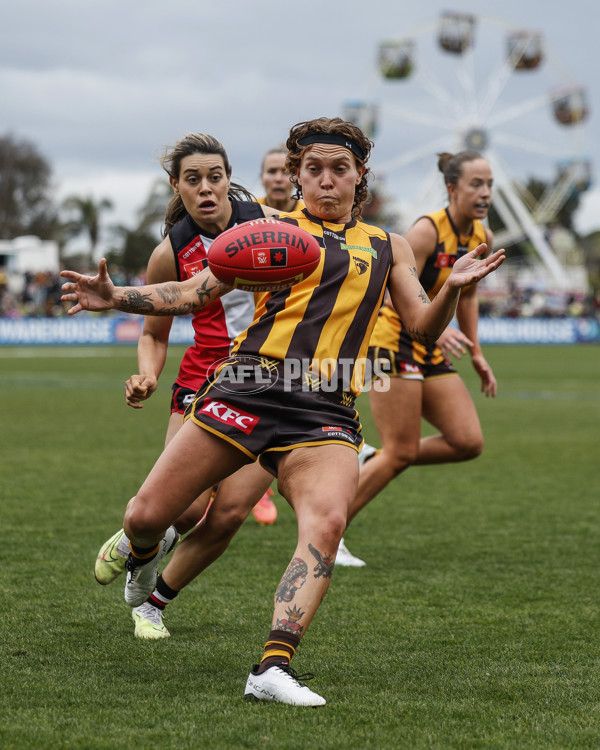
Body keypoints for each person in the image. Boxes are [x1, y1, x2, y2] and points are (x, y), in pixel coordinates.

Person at [61, 117, 505, 706]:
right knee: (148, 516)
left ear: (359, 176)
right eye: (313, 170)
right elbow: (195, 292)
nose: (326, 182)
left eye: (339, 169)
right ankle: (142, 557)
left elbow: (422, 324)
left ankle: (272, 667)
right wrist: (115, 297)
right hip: (246, 387)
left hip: (325, 408)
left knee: (325, 524)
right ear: (296, 176)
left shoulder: (388, 244)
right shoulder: (268, 231)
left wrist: (450, 287)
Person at [94, 132, 277, 639]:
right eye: (192, 179)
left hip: (269, 381)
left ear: (228, 179)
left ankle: (152, 601)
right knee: (189, 507)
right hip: (205, 379)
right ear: (176, 185)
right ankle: (140, 544)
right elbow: (155, 334)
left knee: (231, 513)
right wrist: (148, 374)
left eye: (215, 177)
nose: (206, 188)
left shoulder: (267, 226)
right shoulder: (170, 252)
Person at [346, 150, 497, 556]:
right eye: (475, 184)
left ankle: (372, 458)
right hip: (391, 339)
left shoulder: (482, 236)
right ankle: (331, 531)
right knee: (402, 452)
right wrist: (438, 326)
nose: (485, 193)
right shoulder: (426, 232)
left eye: (489, 185)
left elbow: (466, 297)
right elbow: (387, 295)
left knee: (467, 442)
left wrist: (477, 352)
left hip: (429, 343)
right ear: (451, 188)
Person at [257, 145, 305, 213]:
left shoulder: (309, 216)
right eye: (272, 171)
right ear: (261, 178)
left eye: (286, 172)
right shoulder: (248, 212)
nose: (278, 179)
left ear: (297, 178)